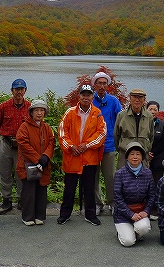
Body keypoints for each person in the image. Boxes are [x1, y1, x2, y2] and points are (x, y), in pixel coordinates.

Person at [58, 84, 107, 226]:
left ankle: (90, 215)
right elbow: (62, 133)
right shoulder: (70, 112)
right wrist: (71, 147)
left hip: (89, 158)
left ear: (93, 97)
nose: (86, 97)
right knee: (69, 188)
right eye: (83, 94)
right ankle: (64, 215)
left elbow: (102, 133)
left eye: (89, 94)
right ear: (79, 96)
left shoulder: (97, 113)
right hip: (72, 156)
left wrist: (86, 145)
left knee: (89, 188)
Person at [16, 99, 55, 226]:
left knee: (41, 190)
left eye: (42, 110)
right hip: (28, 164)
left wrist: (46, 157)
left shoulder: (47, 127)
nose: (39, 113)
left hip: (43, 164)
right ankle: (27, 217)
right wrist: (38, 159)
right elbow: (23, 144)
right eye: (36, 110)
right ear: (31, 112)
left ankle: (39, 216)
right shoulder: (24, 126)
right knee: (29, 191)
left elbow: (51, 142)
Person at [0, 78, 31, 214]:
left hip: (22, 146)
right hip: (5, 143)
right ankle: (6, 201)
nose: (19, 92)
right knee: (4, 173)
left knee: (21, 173)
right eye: (16, 89)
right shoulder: (3, 107)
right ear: (12, 91)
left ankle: (21, 200)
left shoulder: (30, 107)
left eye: (21, 89)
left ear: (25, 91)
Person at [113, 142, 156, 247]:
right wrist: (130, 214)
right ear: (127, 157)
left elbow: (152, 195)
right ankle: (124, 232)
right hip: (123, 215)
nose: (135, 157)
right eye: (132, 154)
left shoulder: (147, 173)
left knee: (143, 228)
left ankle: (135, 232)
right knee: (128, 242)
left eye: (138, 154)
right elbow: (117, 199)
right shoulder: (119, 174)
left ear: (142, 157)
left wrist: (146, 211)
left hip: (140, 212)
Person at [91, 71, 122, 216]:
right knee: (94, 176)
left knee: (110, 176)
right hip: (92, 146)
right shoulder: (90, 100)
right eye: (99, 83)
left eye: (104, 83)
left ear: (108, 85)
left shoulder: (114, 101)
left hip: (109, 144)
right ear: (95, 85)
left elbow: (120, 122)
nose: (102, 86)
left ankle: (113, 203)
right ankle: (98, 203)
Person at [114, 88, 154, 169]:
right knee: (123, 179)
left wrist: (146, 148)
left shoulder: (149, 116)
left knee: (143, 179)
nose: (137, 100)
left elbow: (151, 136)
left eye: (140, 97)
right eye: (134, 97)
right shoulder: (121, 115)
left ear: (144, 100)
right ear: (130, 98)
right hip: (125, 154)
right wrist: (122, 148)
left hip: (142, 155)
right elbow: (116, 135)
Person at [146, 101, 164, 219]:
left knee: (156, 185)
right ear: (146, 109)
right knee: (144, 184)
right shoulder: (143, 123)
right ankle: (144, 207)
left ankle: (155, 209)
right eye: (150, 109)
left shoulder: (162, 124)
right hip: (144, 158)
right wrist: (146, 153)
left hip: (157, 159)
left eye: (155, 109)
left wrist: (152, 153)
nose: (153, 111)